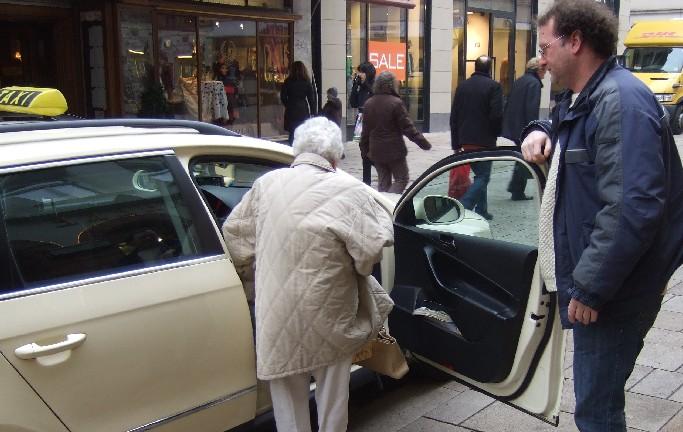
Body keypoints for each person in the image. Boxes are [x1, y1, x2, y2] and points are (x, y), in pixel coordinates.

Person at [520, 1, 683, 431]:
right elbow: (568, 128)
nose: (541, 58)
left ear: (575, 42)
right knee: (597, 400)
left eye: (544, 45)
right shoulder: (589, 97)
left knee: (596, 410)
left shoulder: (620, 102)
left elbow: (633, 207)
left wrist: (590, 289)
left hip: (615, 291)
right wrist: (538, 131)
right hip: (612, 283)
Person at [222, 117, 395, 432]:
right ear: (335, 156)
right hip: (330, 316)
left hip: (277, 317)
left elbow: (235, 239)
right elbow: (370, 251)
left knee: (288, 410)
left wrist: (253, 280)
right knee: (332, 407)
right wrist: (359, 269)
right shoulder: (349, 189)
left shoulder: (265, 184)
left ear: (296, 148)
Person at [449, 55, 503, 220]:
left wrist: (456, 142)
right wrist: (496, 133)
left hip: (466, 139)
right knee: (483, 176)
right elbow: (496, 115)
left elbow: (454, 116)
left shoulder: (462, 86)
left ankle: (482, 209)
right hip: (485, 140)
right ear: (489, 69)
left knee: (480, 174)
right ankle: (465, 205)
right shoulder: (494, 87)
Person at [360, 71, 431, 193]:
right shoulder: (396, 103)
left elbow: (365, 132)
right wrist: (423, 143)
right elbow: (408, 127)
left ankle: (383, 207)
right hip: (394, 150)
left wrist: (365, 150)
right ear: (391, 85)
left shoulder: (369, 103)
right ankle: (391, 205)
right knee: (402, 178)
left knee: (383, 181)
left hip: (376, 150)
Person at [502, 57, 546, 201]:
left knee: (523, 157)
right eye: (544, 69)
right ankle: (517, 190)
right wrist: (533, 129)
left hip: (515, 125)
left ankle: (516, 188)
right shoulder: (534, 84)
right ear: (538, 70)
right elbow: (531, 109)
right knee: (526, 159)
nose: (545, 72)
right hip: (524, 127)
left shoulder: (521, 80)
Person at [349, 62, 376, 185]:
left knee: (370, 150)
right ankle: (366, 182)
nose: (359, 74)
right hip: (361, 121)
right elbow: (353, 103)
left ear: (368, 73)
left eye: (362, 72)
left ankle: (382, 171)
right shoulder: (361, 87)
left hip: (372, 121)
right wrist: (355, 85)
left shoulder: (374, 86)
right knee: (363, 150)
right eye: (359, 72)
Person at [280, 61, 317, 145]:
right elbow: (311, 99)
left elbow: (283, 97)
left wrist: (288, 105)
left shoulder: (288, 81)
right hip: (303, 110)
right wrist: (313, 112)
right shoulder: (306, 82)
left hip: (291, 110)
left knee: (292, 133)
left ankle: (291, 151)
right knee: (302, 133)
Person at [215, 60, 242, 124]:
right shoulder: (218, 78)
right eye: (222, 68)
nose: (224, 70)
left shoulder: (230, 78)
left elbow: (235, 89)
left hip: (229, 99)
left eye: (226, 68)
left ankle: (229, 118)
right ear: (220, 69)